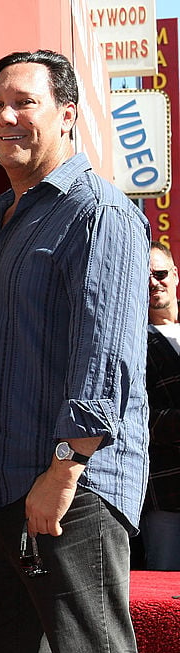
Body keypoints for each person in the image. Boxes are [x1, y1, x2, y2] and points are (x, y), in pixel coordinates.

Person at [0, 49, 149, 653]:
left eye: (24, 102)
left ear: (68, 115)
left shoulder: (97, 212)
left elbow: (107, 358)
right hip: (3, 490)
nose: (5, 117)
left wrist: (65, 469)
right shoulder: (10, 219)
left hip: (71, 488)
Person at [144, 240, 180, 570]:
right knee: (163, 593)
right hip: (165, 492)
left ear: (175, 275)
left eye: (160, 273)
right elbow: (137, 417)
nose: (154, 282)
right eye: (145, 277)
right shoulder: (132, 341)